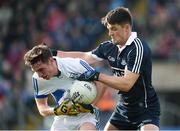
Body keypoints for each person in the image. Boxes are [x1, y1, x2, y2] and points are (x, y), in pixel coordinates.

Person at [54, 7, 160, 131]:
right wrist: (55, 54)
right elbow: (84, 57)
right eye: (109, 29)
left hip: (145, 109)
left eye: (114, 29)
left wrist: (96, 76)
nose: (110, 33)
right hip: (124, 108)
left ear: (126, 28)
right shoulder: (109, 47)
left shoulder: (138, 48)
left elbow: (127, 84)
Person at [24, 44, 105, 131]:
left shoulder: (75, 64)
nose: (40, 75)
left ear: (51, 60)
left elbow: (101, 83)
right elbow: (42, 108)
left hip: (87, 116)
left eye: (41, 69)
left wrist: (91, 106)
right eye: (36, 71)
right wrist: (57, 110)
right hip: (63, 118)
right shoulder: (37, 79)